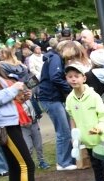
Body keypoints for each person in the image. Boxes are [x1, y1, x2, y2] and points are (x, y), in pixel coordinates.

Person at [0, 57, 56, 181]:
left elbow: (3, 99)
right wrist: (14, 89)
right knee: (26, 164)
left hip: (9, 122)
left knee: (15, 166)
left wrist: (20, 96)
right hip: (4, 126)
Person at [64, 62, 104, 181]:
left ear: (83, 78)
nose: (73, 79)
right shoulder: (70, 99)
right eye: (70, 77)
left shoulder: (94, 96)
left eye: (76, 76)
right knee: (96, 167)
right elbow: (72, 118)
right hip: (88, 141)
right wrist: (75, 136)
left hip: (103, 139)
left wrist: (99, 128)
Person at [37, 38, 75, 170]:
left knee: (65, 130)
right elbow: (55, 77)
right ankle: (63, 163)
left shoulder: (53, 58)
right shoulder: (56, 59)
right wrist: (70, 89)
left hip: (52, 98)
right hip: (50, 98)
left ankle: (67, 160)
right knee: (63, 131)